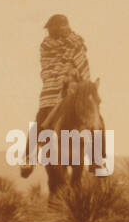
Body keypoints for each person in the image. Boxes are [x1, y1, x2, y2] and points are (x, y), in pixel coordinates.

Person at [21, 14, 91, 179]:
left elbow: (83, 67)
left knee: (94, 116)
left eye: (53, 28)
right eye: (49, 29)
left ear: (64, 27)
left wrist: (74, 77)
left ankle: (98, 158)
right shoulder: (46, 46)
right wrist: (61, 75)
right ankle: (28, 158)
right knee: (40, 121)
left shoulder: (77, 44)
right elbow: (47, 68)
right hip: (51, 90)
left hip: (75, 88)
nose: (50, 32)